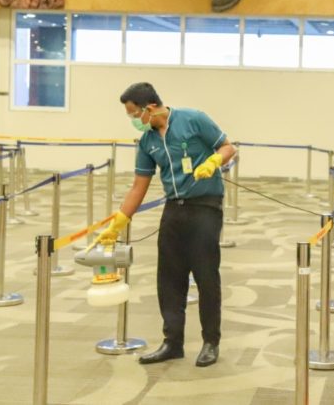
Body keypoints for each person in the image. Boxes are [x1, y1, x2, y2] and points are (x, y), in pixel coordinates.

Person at [95, 82, 236, 367]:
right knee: (169, 279)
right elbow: (139, 186)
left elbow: (227, 147)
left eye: (135, 114)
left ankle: (211, 342)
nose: (134, 120)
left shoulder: (193, 119)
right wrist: (118, 222)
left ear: (149, 108)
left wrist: (213, 161)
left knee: (206, 275)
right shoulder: (147, 141)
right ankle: (172, 343)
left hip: (205, 206)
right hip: (174, 209)